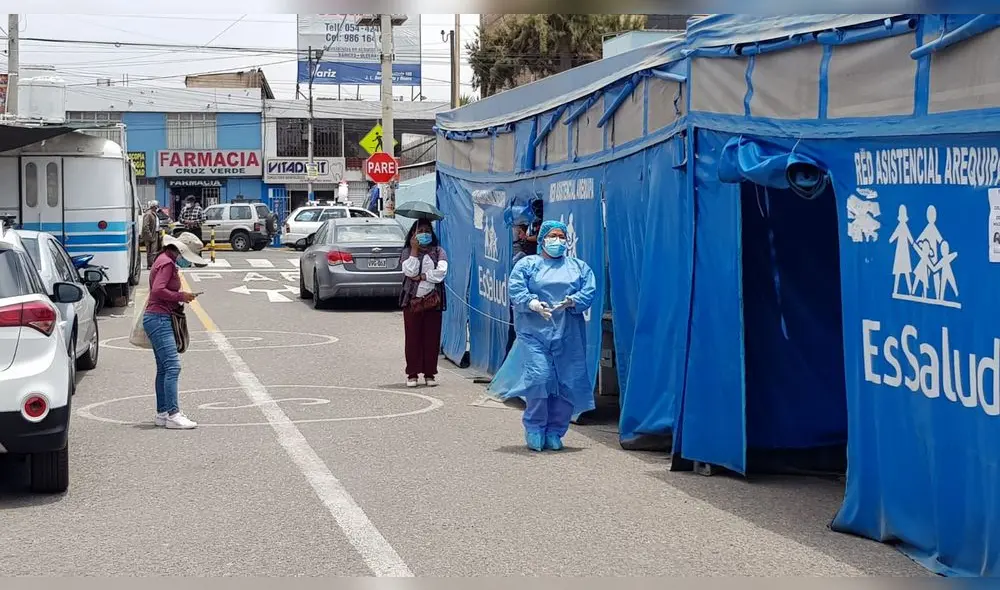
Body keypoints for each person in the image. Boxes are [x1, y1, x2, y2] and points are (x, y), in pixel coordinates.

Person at [507, 220, 596, 452]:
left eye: (561, 236)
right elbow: (516, 288)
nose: (557, 241)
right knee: (540, 377)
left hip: (569, 333)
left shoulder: (578, 267)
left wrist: (573, 301)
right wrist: (532, 302)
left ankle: (556, 430)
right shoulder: (528, 264)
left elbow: (589, 290)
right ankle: (535, 427)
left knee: (568, 381)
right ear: (542, 238)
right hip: (533, 331)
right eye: (552, 236)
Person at [143, 232, 208, 430]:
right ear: (180, 250)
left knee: (164, 368)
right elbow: (158, 290)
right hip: (160, 318)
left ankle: (163, 412)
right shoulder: (167, 264)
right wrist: (181, 295)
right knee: (172, 367)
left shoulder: (163, 260)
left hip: (156, 317)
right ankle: (173, 413)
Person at [399, 219, 448, 388]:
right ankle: (412, 374)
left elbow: (440, 273)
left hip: (433, 301)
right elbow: (409, 271)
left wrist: (423, 277)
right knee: (412, 339)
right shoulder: (407, 252)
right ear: (413, 234)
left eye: (427, 230)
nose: (424, 234)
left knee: (431, 338)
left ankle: (430, 374)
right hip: (412, 301)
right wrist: (414, 250)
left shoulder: (438, 251)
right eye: (420, 231)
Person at [140, 200, 162, 270]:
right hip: (151, 235)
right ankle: (150, 265)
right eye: (156, 206)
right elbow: (145, 226)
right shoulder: (148, 214)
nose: (157, 208)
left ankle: (152, 264)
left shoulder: (154, 213)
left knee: (154, 251)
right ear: (154, 207)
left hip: (155, 233)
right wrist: (150, 236)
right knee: (151, 251)